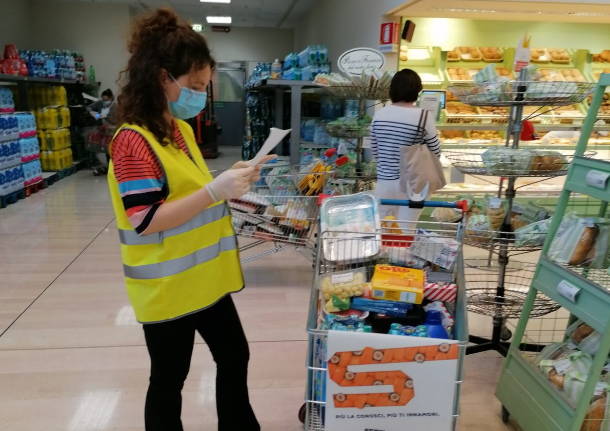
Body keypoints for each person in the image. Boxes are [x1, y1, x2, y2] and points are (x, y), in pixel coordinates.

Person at [107, 8, 270, 431]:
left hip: (205, 279)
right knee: (169, 378)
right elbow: (145, 219)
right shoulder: (132, 142)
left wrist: (232, 180)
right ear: (163, 78)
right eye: (195, 86)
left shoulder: (177, 130)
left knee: (234, 355)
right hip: (168, 287)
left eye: (204, 86)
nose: (200, 95)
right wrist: (215, 191)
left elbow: (188, 190)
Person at [370, 68, 441, 222]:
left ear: (392, 89)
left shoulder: (379, 115)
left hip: (384, 184)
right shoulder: (423, 116)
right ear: (417, 90)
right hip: (412, 185)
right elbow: (435, 151)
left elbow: (375, 151)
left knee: (382, 228)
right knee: (406, 229)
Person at [87, 88, 117, 175]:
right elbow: (89, 107)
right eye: (103, 100)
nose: (104, 102)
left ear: (111, 98)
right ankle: (109, 168)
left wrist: (106, 117)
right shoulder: (100, 103)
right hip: (105, 132)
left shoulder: (115, 107)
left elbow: (115, 120)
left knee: (113, 150)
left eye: (106, 100)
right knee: (107, 151)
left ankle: (114, 168)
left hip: (113, 131)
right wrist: (94, 114)